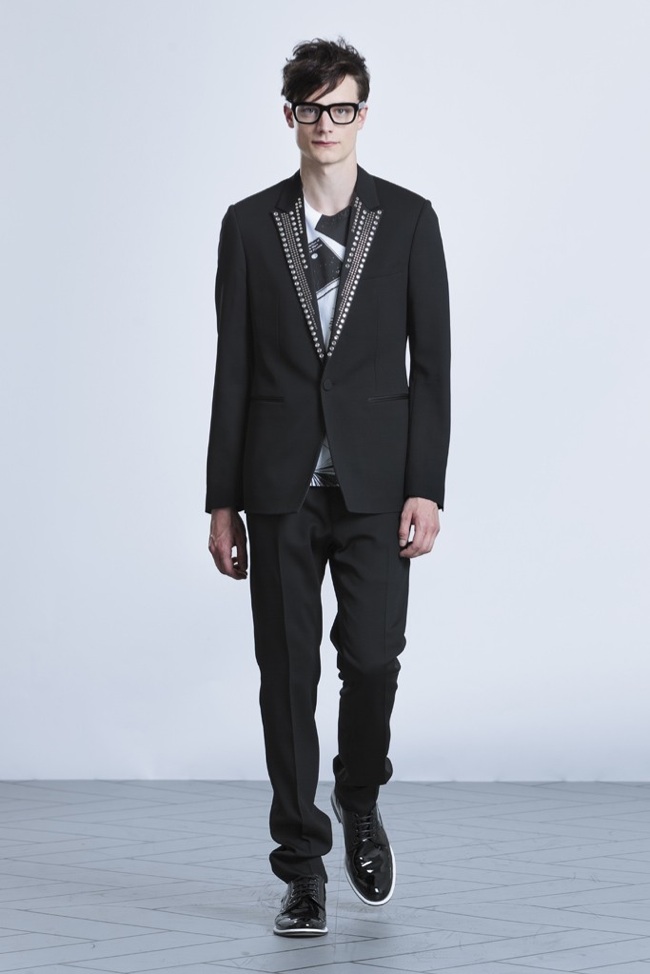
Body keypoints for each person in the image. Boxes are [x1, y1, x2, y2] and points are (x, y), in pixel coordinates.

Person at [206, 36, 450, 937]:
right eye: (311, 109)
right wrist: (220, 498)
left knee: (374, 659)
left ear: (362, 114)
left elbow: (434, 366)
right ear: (291, 117)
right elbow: (233, 370)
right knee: (286, 676)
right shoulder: (248, 225)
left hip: (378, 483)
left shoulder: (410, 220)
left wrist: (426, 484)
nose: (326, 124)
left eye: (341, 107)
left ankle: (358, 793)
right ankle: (301, 868)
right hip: (277, 485)